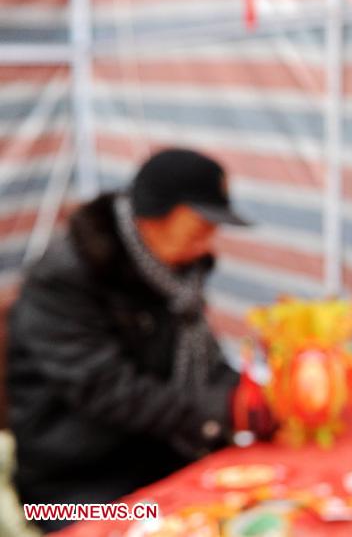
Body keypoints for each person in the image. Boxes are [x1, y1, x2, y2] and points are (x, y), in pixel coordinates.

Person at [6, 148, 252, 532]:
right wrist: (221, 411)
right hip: (70, 492)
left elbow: (206, 360)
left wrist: (244, 395)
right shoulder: (65, 278)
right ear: (153, 217)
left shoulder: (173, 275)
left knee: (256, 507)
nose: (207, 244)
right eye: (200, 227)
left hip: (157, 456)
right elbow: (109, 389)